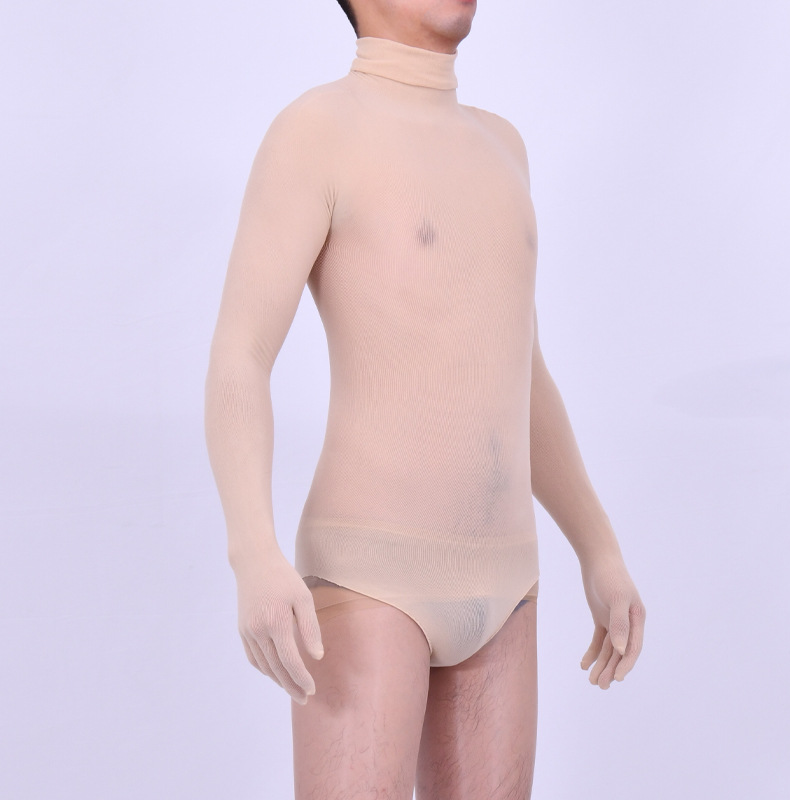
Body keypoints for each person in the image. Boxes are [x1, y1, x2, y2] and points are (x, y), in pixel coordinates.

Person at [204, 0, 646, 797]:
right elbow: (241, 355)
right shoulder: (316, 131)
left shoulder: (504, 146)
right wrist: (253, 554)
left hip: (507, 583)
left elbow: (522, 373)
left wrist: (599, 547)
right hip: (370, 575)